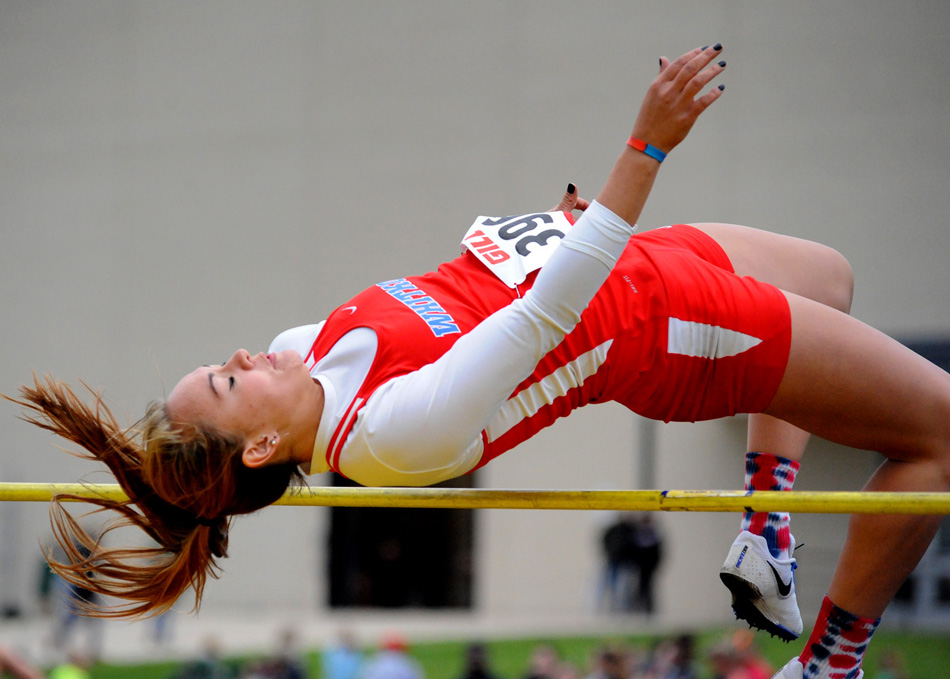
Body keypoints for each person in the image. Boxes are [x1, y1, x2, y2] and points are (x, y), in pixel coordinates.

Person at [7, 44, 950, 679]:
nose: (244, 353)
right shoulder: (391, 437)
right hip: (661, 324)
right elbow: (547, 315)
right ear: (257, 444)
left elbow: (479, 288)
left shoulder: (302, 351)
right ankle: (830, 663)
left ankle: (768, 528)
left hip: (621, 258)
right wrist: (647, 141)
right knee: (940, 436)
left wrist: (553, 229)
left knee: (830, 277)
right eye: (226, 378)